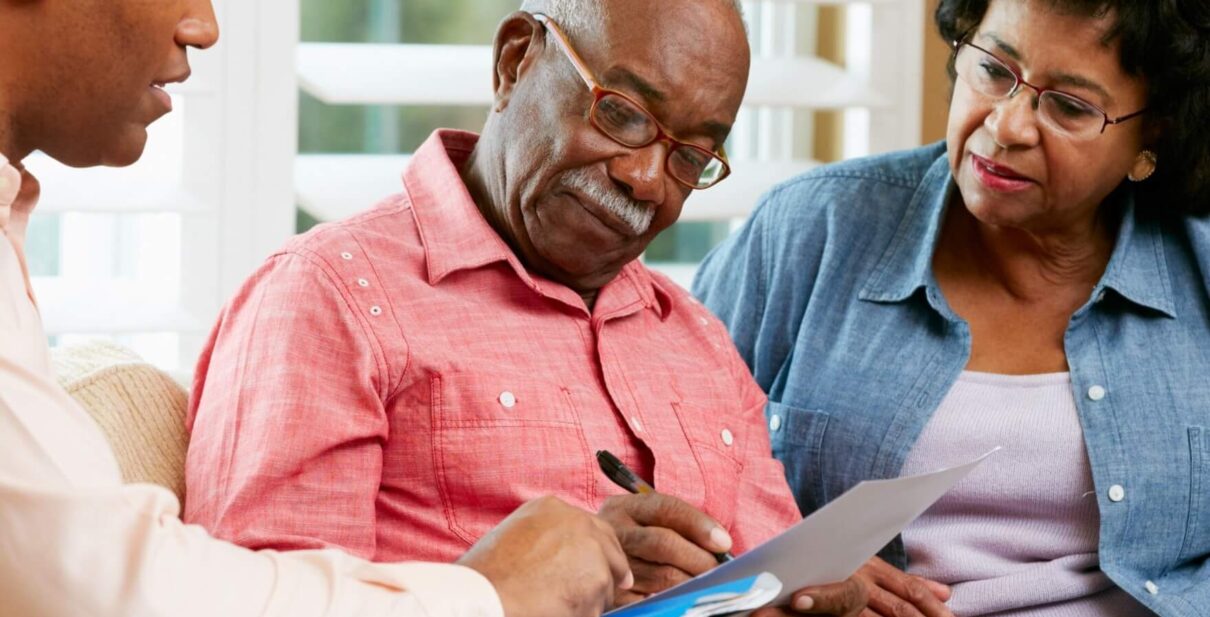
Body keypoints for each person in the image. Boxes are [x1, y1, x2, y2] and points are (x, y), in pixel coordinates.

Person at [181, 0, 867, 613]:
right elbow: (261, 602)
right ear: (514, 61)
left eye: (689, 156)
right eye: (621, 114)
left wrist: (812, 592)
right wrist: (513, 588)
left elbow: (774, 578)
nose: (645, 178)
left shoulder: (696, 337)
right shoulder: (328, 298)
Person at [0, 1, 637, 615]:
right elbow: (101, 586)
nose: (205, 28)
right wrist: (487, 597)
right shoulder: (333, 292)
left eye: (695, 156)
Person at [695, 0, 1210, 615]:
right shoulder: (811, 230)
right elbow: (668, 463)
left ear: (1152, 137)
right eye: (994, 70)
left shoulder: (1197, 266)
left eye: (1070, 106)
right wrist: (785, 561)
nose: (1007, 126)